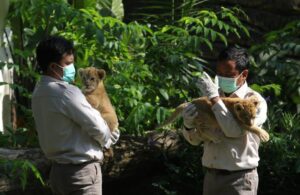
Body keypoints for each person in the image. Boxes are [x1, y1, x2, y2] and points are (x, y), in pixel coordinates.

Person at [32, 35, 120, 195]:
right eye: (68, 63)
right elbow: (99, 128)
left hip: (58, 173)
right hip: (81, 173)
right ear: (53, 66)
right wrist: (111, 136)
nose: (73, 68)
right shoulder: (67, 93)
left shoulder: (39, 91)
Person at [182, 46, 267, 195]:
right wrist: (188, 126)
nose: (222, 78)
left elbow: (234, 131)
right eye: (219, 74)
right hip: (211, 176)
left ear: (244, 74)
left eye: (228, 74)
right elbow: (195, 141)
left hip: (240, 179)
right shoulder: (212, 95)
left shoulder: (254, 101)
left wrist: (215, 100)